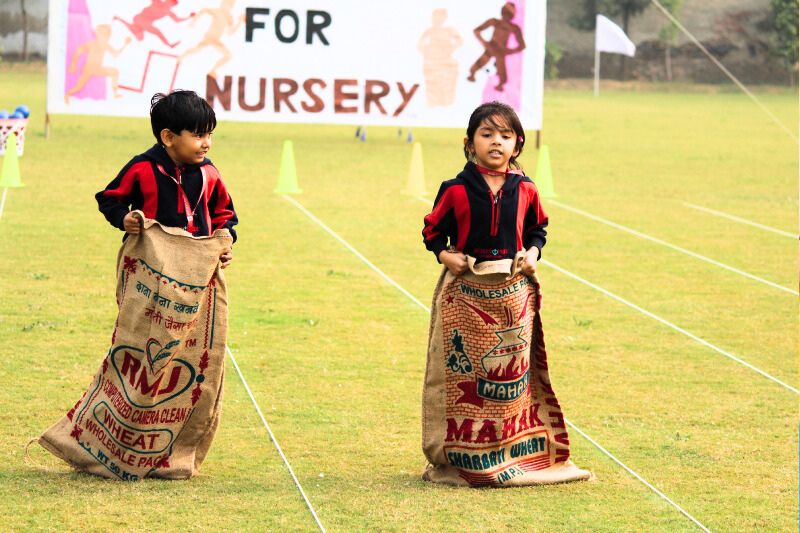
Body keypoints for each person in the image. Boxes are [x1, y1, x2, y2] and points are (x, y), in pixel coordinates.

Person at [96, 90, 237, 266]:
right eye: (198, 135)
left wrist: (224, 244)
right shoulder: (142, 168)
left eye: (210, 135)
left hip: (197, 266)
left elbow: (224, 214)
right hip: (148, 264)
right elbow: (109, 199)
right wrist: (123, 218)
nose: (206, 143)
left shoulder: (209, 173)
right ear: (168, 137)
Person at [423, 100, 546, 276]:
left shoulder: (527, 189)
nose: (496, 141)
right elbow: (432, 231)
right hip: (465, 287)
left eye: (505, 136)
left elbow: (536, 229)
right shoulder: (454, 190)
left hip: (512, 287)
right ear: (470, 144)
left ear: (516, 148)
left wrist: (533, 253)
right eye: (487, 135)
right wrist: (445, 256)